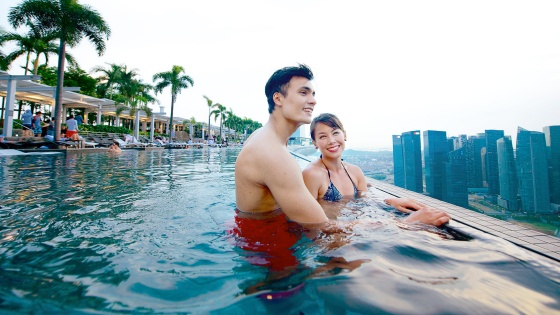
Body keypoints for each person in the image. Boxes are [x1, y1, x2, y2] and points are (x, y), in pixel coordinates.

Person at [235, 64, 450, 228]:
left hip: (257, 235)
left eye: (313, 93)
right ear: (278, 98)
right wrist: (408, 223)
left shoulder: (263, 140)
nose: (313, 101)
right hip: (266, 254)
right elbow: (322, 227)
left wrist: (388, 201)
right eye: (303, 92)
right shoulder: (273, 154)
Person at [303, 113, 450, 223]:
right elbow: (312, 224)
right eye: (322, 137)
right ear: (315, 143)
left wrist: (389, 201)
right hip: (333, 242)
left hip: (356, 229)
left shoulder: (355, 171)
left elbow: (366, 201)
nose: (331, 141)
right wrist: (405, 224)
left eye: (335, 133)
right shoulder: (312, 174)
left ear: (345, 135)